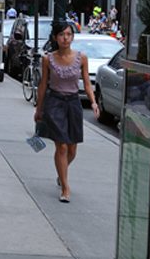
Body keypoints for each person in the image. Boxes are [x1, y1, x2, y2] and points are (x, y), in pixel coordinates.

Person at [33, 21, 100, 203]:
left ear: (72, 37)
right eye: (62, 35)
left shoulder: (82, 58)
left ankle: (61, 173)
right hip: (54, 103)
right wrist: (39, 109)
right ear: (55, 37)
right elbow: (43, 85)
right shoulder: (48, 59)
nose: (65, 38)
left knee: (72, 149)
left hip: (73, 104)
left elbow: (86, 83)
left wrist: (93, 103)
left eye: (69, 34)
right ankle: (65, 186)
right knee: (61, 146)